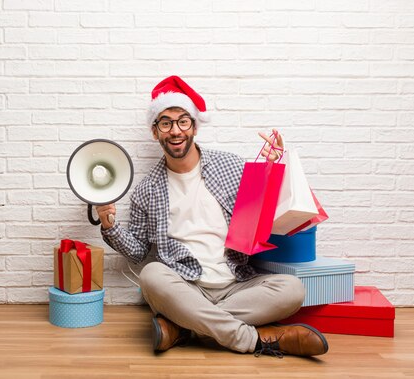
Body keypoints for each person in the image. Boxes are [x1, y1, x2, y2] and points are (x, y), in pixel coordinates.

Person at [96, 76, 328, 358]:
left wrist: (270, 165)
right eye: (165, 123)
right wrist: (109, 226)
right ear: (155, 132)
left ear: (194, 126)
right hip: (186, 286)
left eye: (183, 121)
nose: (175, 130)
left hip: (238, 284)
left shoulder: (230, 165)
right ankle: (255, 340)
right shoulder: (147, 189)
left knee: (292, 289)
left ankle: (184, 327)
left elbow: (263, 208)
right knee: (151, 274)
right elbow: (138, 252)